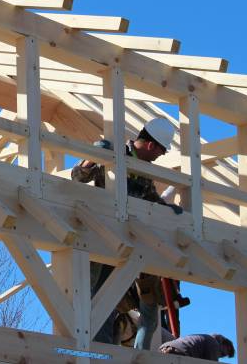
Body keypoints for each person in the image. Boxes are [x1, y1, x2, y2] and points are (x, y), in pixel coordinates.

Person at [71, 117, 181, 347]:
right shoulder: (115, 154)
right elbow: (77, 177)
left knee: (125, 308)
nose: (159, 157)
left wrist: (167, 208)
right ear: (151, 145)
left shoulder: (144, 170)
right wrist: (94, 156)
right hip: (103, 236)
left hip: (129, 242)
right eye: (160, 152)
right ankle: (96, 355)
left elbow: (150, 197)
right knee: (96, 300)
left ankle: (121, 355)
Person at [158, 334, 235, 361]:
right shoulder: (214, 344)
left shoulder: (205, 339)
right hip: (177, 352)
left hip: (163, 349)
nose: (220, 355)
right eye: (223, 353)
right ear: (224, 344)